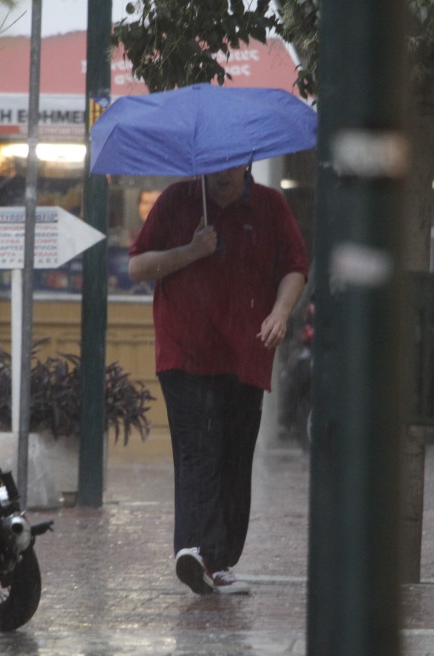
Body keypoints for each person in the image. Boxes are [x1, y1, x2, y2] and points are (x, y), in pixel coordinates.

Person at [128, 164, 308, 595]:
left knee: (234, 454)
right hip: (184, 350)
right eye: (213, 166)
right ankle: (194, 551)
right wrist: (190, 251)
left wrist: (281, 312)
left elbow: (295, 267)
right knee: (197, 449)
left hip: (247, 352)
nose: (221, 175)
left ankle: (220, 560)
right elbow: (137, 266)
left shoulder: (270, 205)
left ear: (245, 163)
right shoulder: (176, 200)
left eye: (229, 166)